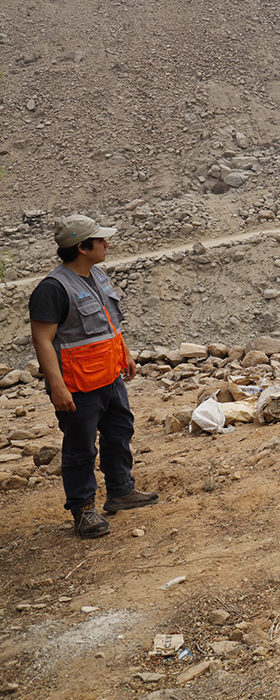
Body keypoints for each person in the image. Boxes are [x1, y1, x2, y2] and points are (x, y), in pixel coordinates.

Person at [28, 215, 158, 538]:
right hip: (78, 385)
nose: (106, 244)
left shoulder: (97, 276)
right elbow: (42, 340)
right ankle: (83, 509)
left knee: (119, 431)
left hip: (110, 377)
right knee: (80, 447)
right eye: (100, 241)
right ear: (82, 247)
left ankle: (120, 490)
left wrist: (124, 352)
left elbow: (110, 321)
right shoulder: (52, 290)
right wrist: (57, 387)